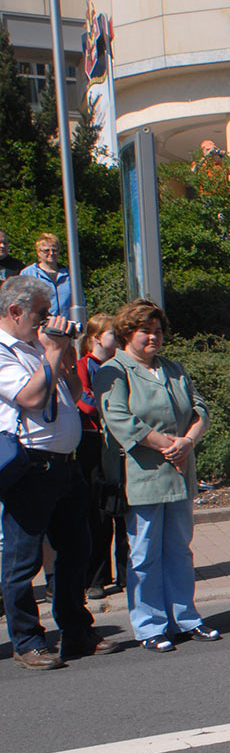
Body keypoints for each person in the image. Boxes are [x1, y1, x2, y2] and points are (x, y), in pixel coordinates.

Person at [0, 276, 108, 668]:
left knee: (75, 551)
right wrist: (48, 351)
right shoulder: (4, 350)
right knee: (22, 561)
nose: (48, 321)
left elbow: (77, 394)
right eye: (41, 314)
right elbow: (29, 397)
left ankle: (77, 631)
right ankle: (28, 641)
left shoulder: (38, 345)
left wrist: (62, 352)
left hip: (65, 465)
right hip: (31, 467)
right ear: (15, 311)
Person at [97, 300, 216, 652]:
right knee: (145, 553)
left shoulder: (173, 368)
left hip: (180, 471)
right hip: (143, 474)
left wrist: (188, 440)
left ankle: (186, 617)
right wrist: (169, 446)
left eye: (158, 331)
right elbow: (120, 420)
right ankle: (150, 624)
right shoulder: (113, 371)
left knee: (179, 550)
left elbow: (200, 409)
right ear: (127, 334)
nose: (153, 337)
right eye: (145, 331)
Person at [76, 313, 127, 598]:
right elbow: (85, 403)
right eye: (113, 335)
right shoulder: (84, 365)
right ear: (96, 338)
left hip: (117, 441)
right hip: (93, 441)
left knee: (122, 508)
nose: (118, 341)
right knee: (98, 510)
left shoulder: (120, 365)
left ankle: (125, 572)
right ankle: (96, 576)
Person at [20, 233, 75, 318]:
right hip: (41, 325)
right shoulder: (28, 273)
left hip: (67, 323)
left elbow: (79, 300)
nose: (51, 253)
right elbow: (23, 302)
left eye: (55, 250)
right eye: (46, 250)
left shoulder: (69, 274)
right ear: (38, 252)